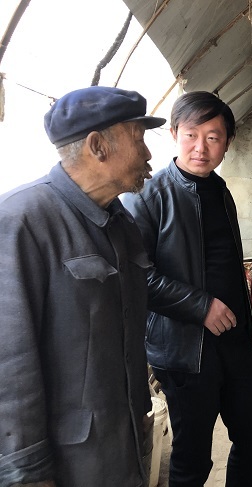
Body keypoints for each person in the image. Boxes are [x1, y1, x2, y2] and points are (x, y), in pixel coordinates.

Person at [0, 86, 166, 487]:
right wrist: (26, 473)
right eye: (138, 138)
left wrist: (139, 417)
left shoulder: (121, 223)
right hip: (69, 464)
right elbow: (10, 361)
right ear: (98, 146)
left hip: (122, 447)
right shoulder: (22, 220)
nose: (148, 154)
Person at [122, 91, 252, 487]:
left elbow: (229, 270)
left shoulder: (220, 191)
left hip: (235, 344)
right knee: (191, 461)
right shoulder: (147, 196)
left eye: (213, 137)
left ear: (227, 142)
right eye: (191, 135)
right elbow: (135, 276)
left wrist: (251, 334)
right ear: (174, 134)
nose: (201, 148)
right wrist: (201, 306)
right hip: (184, 351)